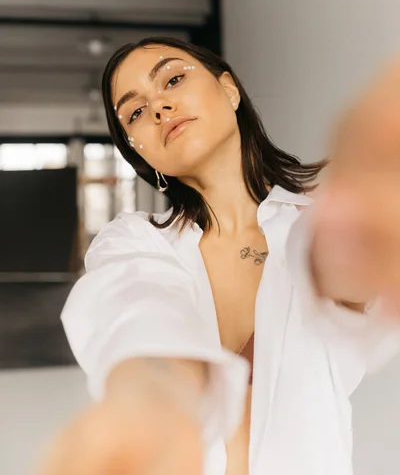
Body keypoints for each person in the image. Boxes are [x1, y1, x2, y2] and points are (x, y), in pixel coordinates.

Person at [36, 38, 400, 475]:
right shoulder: (134, 243)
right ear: (140, 153)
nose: (158, 108)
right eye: (135, 112)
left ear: (229, 90)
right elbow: (136, 310)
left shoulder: (315, 224)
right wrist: (152, 401)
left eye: (172, 79)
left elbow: (338, 271)